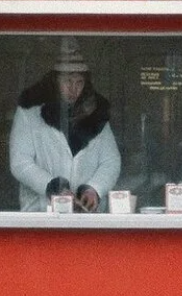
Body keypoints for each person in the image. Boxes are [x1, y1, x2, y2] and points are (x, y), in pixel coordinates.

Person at [9, 38, 121, 212]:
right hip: (41, 215)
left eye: (79, 82)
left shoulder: (96, 114)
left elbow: (111, 161)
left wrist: (94, 189)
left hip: (86, 217)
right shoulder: (29, 112)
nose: (74, 89)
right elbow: (20, 162)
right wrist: (51, 186)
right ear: (55, 81)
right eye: (67, 81)